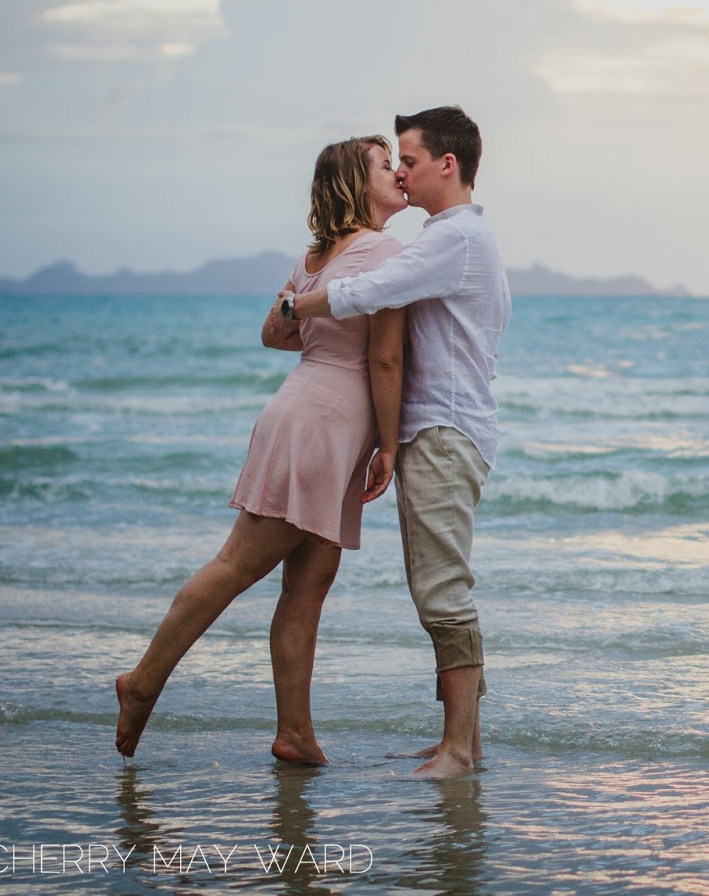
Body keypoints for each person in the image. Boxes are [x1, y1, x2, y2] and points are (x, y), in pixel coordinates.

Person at [114, 135, 409, 763]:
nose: (398, 174)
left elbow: (276, 331)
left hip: (307, 412)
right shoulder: (383, 250)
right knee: (238, 564)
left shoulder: (316, 256)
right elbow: (384, 356)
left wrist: (312, 317)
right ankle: (141, 683)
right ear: (359, 185)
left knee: (308, 585)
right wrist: (389, 445)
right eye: (387, 166)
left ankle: (295, 734)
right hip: (324, 427)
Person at [283, 105, 510, 779]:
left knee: (443, 591)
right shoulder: (459, 238)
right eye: (396, 164)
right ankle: (457, 739)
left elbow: (372, 290)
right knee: (437, 586)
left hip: (442, 430)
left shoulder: (454, 239)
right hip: (446, 429)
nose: (402, 174)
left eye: (408, 161)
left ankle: (460, 749)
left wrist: (299, 303)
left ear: (448, 165)